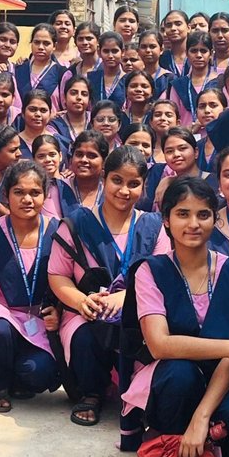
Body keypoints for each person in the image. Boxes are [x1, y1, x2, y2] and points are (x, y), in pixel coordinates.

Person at [123, 179, 229, 457]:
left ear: (215, 219)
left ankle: (206, 433)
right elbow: (159, 344)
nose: (193, 224)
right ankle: (171, 434)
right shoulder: (151, 270)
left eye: (203, 214)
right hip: (173, 374)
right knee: (180, 375)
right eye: (183, 214)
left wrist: (202, 415)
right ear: (166, 220)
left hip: (223, 375)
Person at [49, 145, 163, 427]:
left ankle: (140, 395)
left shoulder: (153, 226)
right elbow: (58, 275)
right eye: (117, 180)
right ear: (104, 179)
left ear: (144, 186)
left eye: (133, 184)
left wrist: (126, 297)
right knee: (85, 336)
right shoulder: (76, 223)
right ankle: (91, 393)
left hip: (139, 310)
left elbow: (162, 276)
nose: (124, 190)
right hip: (87, 311)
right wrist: (80, 301)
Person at [0, 161, 63, 412]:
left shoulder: (58, 231)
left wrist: (58, 311)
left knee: (39, 372)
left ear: (45, 195)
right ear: (6, 195)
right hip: (5, 315)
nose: (27, 199)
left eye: (35, 192)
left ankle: (19, 378)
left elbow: (67, 280)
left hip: (41, 321)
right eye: (19, 192)